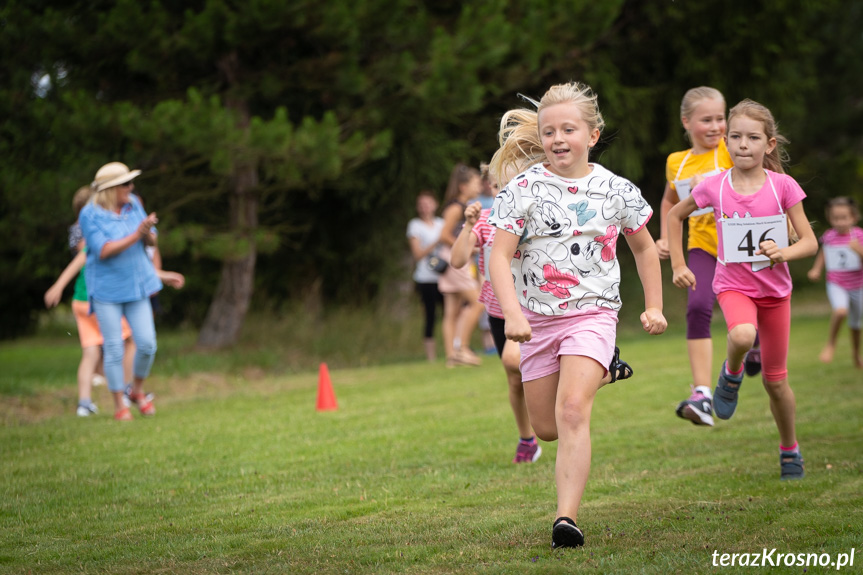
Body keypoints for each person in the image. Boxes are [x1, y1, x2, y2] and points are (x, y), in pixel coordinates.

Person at [487, 82, 666, 548]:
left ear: (593, 133)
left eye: (569, 129)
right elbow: (498, 257)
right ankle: (608, 369)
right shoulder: (521, 190)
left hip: (593, 315)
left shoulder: (615, 189)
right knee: (546, 427)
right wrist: (512, 315)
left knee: (571, 412)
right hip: (537, 322)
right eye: (549, 132)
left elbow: (645, 249)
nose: (558, 138)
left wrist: (653, 305)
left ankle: (566, 519)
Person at [668, 99, 818, 481]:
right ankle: (730, 374)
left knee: (776, 381)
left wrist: (782, 252)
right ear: (727, 142)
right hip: (734, 286)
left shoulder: (782, 185)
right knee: (742, 333)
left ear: (769, 144)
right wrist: (679, 264)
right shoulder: (715, 187)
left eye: (752, 138)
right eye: (735, 137)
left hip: (776, 294)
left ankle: (790, 449)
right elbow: (674, 214)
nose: (742, 144)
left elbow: (810, 242)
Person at [452, 200, 634, 464]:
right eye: (494, 184)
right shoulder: (486, 219)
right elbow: (457, 260)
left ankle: (589, 376)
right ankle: (527, 440)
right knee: (515, 380)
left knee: (511, 360)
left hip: (529, 312)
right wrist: (468, 225)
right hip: (497, 312)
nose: (501, 189)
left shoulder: (539, 212)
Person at [656, 87, 753, 426]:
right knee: (697, 307)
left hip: (742, 246)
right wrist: (665, 238)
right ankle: (701, 395)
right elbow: (670, 203)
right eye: (706, 120)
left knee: (746, 312)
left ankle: (751, 347)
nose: (716, 127)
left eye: (720, 118)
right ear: (687, 122)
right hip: (703, 246)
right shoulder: (676, 162)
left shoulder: (732, 150)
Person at [79, 162, 162, 421]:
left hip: (137, 286)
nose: (131, 187)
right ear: (110, 189)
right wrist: (138, 233)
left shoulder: (134, 203)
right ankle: (120, 406)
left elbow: (151, 240)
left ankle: (136, 391)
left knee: (147, 344)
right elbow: (102, 250)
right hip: (106, 291)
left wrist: (147, 233)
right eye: (125, 184)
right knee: (114, 349)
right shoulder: (89, 214)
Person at [44, 186, 135, 417]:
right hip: (101, 299)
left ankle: (84, 403)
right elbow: (85, 257)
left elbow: (77, 261)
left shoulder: (79, 231)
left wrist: (58, 286)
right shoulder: (95, 235)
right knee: (130, 341)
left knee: (91, 353)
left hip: (79, 299)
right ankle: (126, 390)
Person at [437, 163, 486, 367]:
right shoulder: (457, 208)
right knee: (478, 301)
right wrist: (465, 248)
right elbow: (444, 235)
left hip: (454, 261)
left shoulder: (461, 206)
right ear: (463, 187)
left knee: (452, 312)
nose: (479, 186)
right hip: (453, 261)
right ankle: (463, 348)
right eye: (475, 183)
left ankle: (452, 357)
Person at [807, 197, 863, 367]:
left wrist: (858, 250)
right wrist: (816, 268)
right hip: (836, 282)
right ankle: (831, 344)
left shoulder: (859, 235)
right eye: (835, 218)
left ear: (853, 217)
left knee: (856, 323)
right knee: (840, 311)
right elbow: (824, 252)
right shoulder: (829, 236)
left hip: (858, 285)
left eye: (844, 217)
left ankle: (856, 355)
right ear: (830, 218)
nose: (840, 222)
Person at [406, 191, 445, 362]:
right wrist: (437, 241)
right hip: (426, 278)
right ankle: (431, 356)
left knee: (450, 313)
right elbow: (417, 254)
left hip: (444, 277)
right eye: (421, 204)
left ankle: (454, 348)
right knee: (430, 316)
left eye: (428, 203)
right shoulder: (414, 225)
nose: (425, 207)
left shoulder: (441, 223)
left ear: (435, 204)